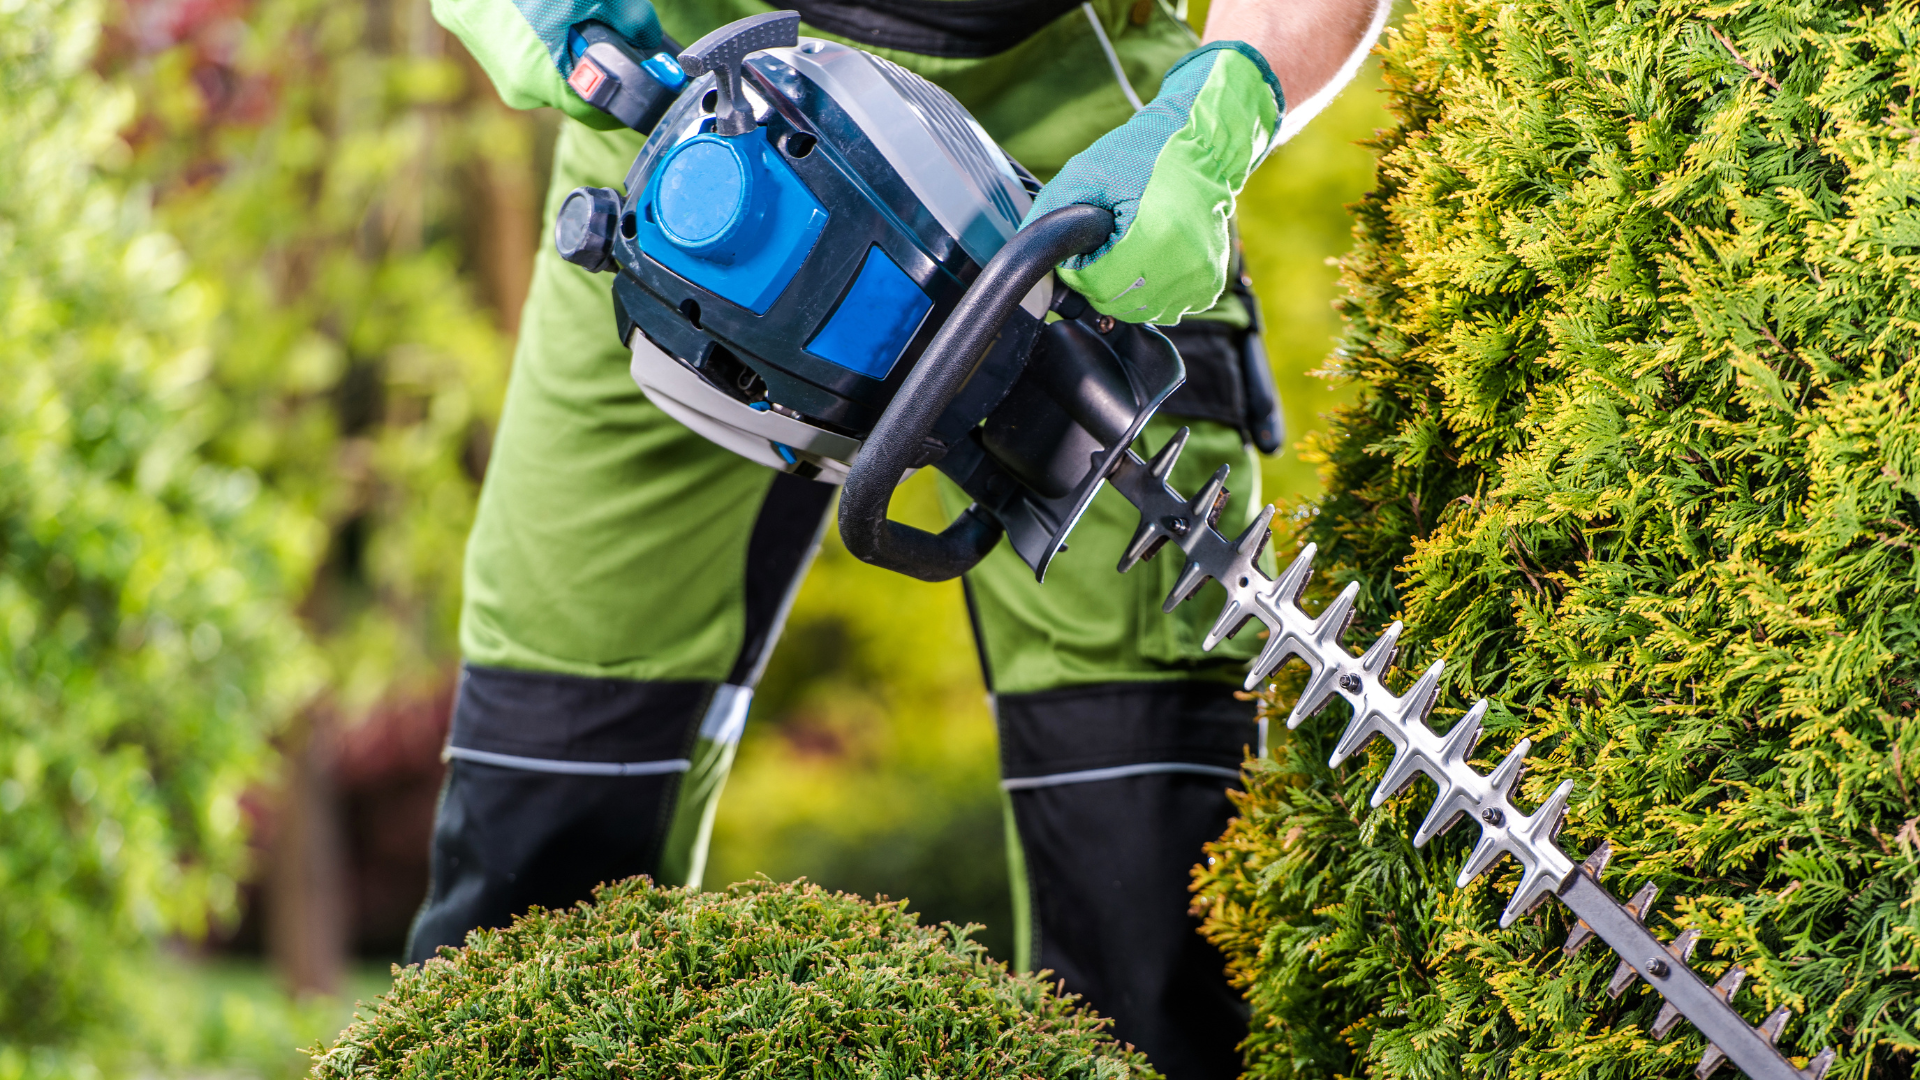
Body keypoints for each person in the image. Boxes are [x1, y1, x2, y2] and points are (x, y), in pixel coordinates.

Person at [408, 0, 1388, 1075]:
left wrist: (1225, 105)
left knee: (1152, 871)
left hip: (1077, 133)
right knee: (536, 815)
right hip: (686, 122)